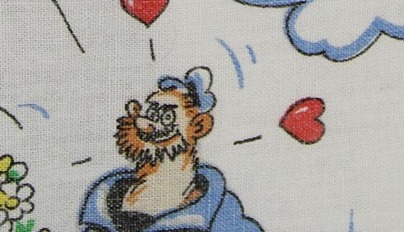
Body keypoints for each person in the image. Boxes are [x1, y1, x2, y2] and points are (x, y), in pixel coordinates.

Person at [78, 68, 264, 232]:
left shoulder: (218, 213)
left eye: (166, 117)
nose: (145, 124)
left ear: (199, 126)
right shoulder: (103, 202)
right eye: (151, 112)